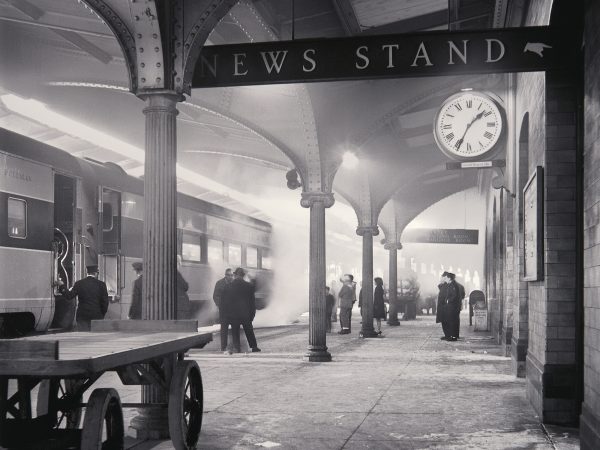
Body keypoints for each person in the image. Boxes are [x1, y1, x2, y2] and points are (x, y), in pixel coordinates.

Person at [222, 267, 260, 353]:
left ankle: (237, 347)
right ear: (243, 276)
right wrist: (252, 314)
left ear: (235, 275)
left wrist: (226, 315)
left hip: (233, 314)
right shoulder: (248, 286)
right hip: (245, 313)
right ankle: (254, 347)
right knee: (249, 330)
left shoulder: (228, 286)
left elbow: (225, 303)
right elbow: (252, 302)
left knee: (235, 331)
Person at [59, 264, 109, 331]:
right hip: (96, 315)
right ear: (96, 273)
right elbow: (105, 303)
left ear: (87, 273)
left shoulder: (79, 283)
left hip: (82, 316)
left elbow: (69, 296)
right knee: (96, 337)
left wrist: (61, 285)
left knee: (83, 336)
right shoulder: (101, 284)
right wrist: (101, 314)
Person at [213, 268, 233, 351]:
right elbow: (215, 296)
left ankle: (234, 346)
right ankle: (223, 347)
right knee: (224, 330)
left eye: (232, 275)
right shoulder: (219, 283)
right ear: (225, 275)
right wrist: (220, 305)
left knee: (235, 329)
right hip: (224, 311)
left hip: (233, 311)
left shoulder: (234, 283)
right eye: (229, 275)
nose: (231, 277)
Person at [442, 271, 461, 341]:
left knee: (452, 321)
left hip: (453, 306)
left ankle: (453, 337)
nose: (445, 279)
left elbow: (454, 295)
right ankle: (452, 335)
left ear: (449, 278)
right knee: (452, 321)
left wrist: (448, 300)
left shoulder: (453, 285)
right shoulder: (451, 284)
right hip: (452, 306)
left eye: (446, 278)